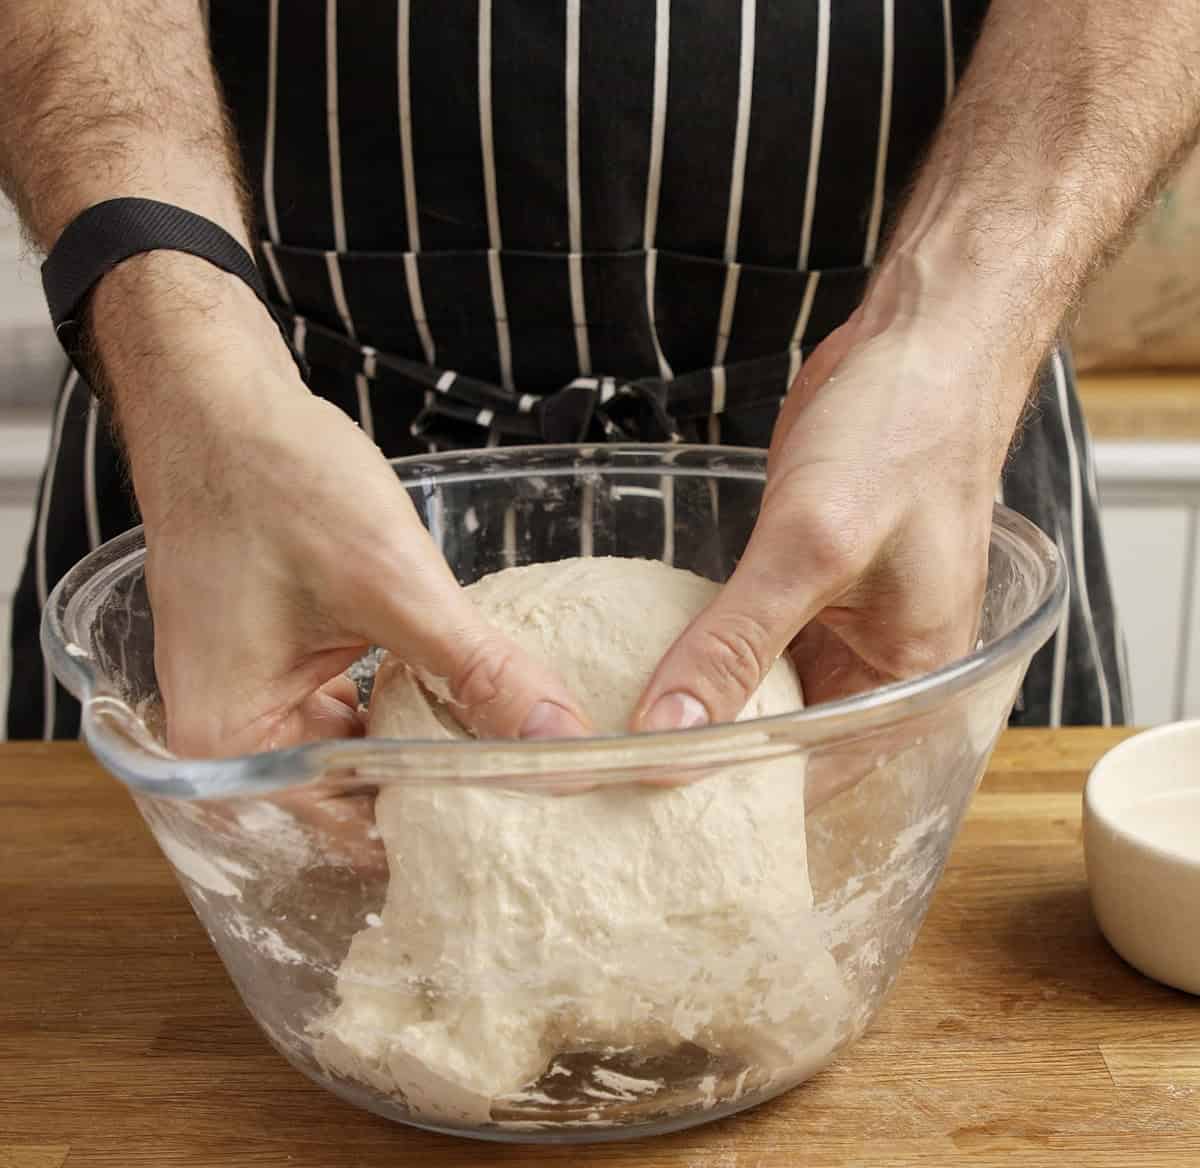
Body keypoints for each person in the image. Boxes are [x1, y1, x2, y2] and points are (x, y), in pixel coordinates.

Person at [4, 0, 1194, 752]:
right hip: (232, 453)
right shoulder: (206, 406)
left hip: (910, 466)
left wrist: (963, 329)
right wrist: (192, 370)